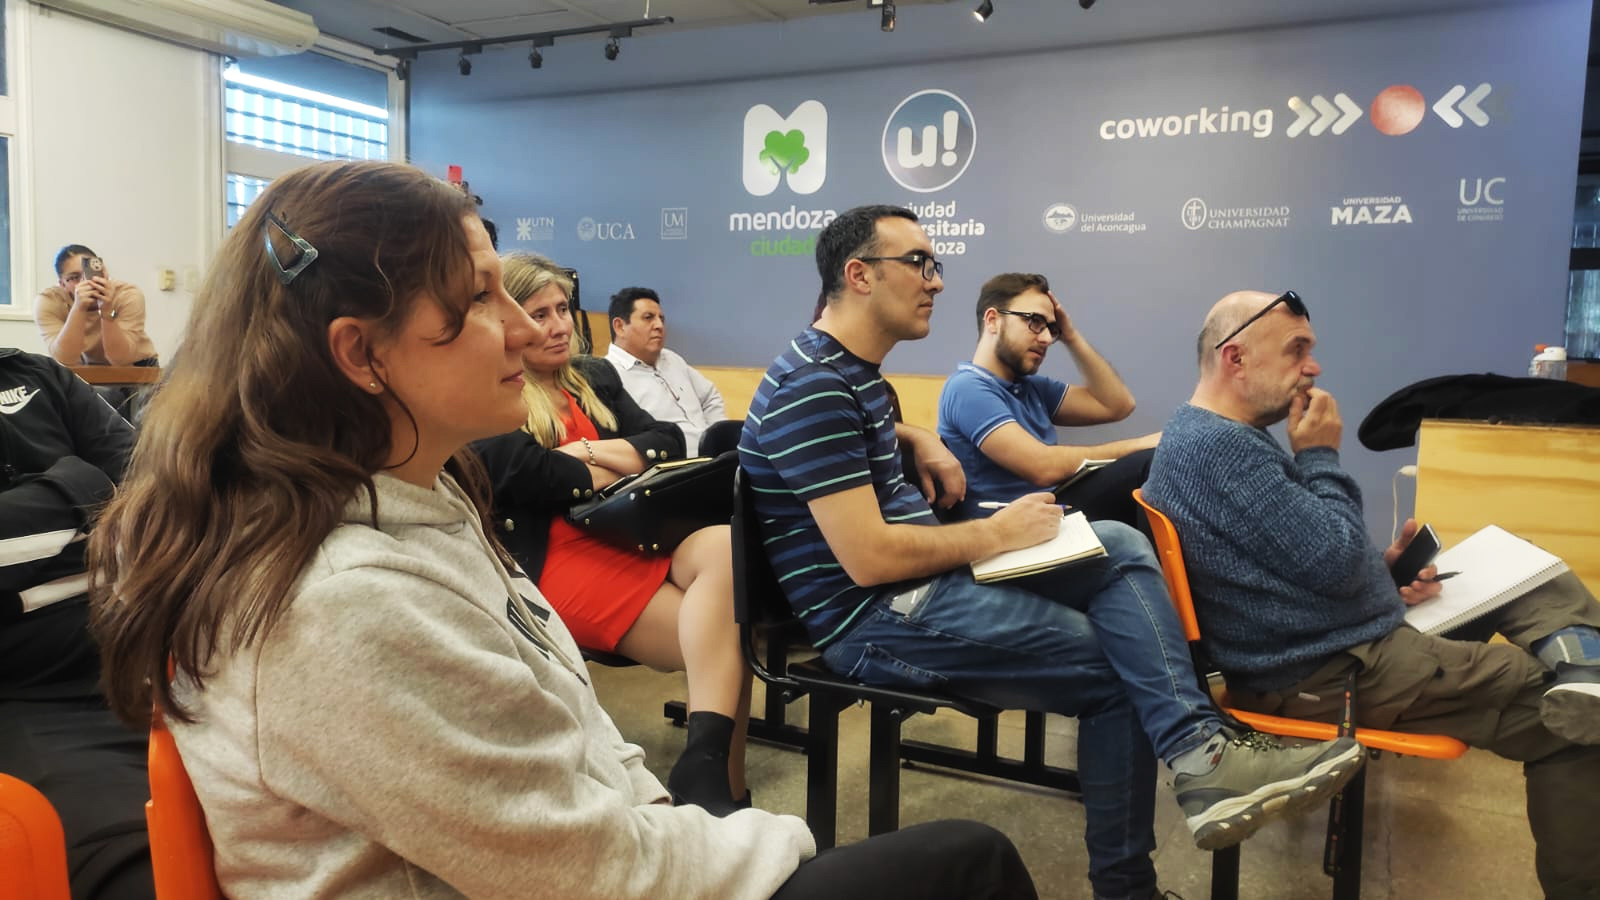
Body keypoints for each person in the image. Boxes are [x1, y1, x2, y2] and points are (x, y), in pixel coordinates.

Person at [88, 161, 1037, 900]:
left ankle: (708, 765)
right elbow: (592, 873)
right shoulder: (339, 605)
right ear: (360, 353)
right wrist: (785, 845)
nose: (529, 329)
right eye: (481, 300)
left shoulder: (427, 500)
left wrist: (674, 815)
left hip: (596, 847)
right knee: (969, 864)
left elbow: (579, 739)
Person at [740, 205, 1366, 900]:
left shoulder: (849, 375)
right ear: (859, 275)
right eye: (918, 263)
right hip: (876, 617)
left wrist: (918, 436)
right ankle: (1149, 853)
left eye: (933, 264)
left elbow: (1106, 403)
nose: (936, 281)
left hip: (926, 579)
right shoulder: (815, 387)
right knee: (1123, 667)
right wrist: (997, 533)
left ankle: (1198, 752)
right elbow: (869, 561)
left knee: (1120, 542)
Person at [1141, 289, 1600, 899]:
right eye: (1297, 349)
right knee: (1570, 726)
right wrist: (1321, 456)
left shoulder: (1212, 437)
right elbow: (1334, 561)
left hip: (1329, 647)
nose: (1313, 367)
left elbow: (1298, 564)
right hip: (1329, 674)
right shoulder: (1220, 449)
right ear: (1236, 357)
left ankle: (1586, 668)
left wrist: (1381, 574)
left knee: (1525, 567)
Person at [474, 255, 752, 816]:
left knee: (726, 546)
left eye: (562, 310)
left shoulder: (593, 377)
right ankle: (721, 793)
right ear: (508, 321)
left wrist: (584, 453)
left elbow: (667, 440)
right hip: (558, 559)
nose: (559, 326)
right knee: (730, 638)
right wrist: (613, 460)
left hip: (630, 532)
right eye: (539, 314)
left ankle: (709, 774)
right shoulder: (492, 389)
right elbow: (531, 474)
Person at [0, 348, 151, 899]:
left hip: (164, 653)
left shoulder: (37, 374)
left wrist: (34, 517)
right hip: (37, 700)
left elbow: (155, 486)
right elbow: (113, 489)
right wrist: (80, 486)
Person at [937, 272, 1159, 525]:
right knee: (1147, 463)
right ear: (993, 320)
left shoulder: (1030, 387)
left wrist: (1070, 336)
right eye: (1034, 321)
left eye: (1051, 329)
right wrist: (1138, 445)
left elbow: (1117, 406)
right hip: (1009, 526)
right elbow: (1042, 467)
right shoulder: (967, 388)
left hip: (1052, 507)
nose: (1045, 339)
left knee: (1153, 470)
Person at [603, 286, 732, 455]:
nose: (659, 325)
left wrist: (718, 439)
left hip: (716, 459)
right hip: (672, 465)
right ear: (620, 327)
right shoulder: (608, 375)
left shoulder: (671, 359)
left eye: (661, 319)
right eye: (648, 318)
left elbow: (710, 397)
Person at [34, 245, 159, 368]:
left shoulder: (127, 295)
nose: (85, 282)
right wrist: (79, 308)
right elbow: (65, 359)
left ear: (103, 272)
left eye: (90, 273)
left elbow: (120, 358)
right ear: (62, 284)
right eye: (75, 277)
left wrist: (107, 311)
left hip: (136, 366)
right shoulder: (49, 301)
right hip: (87, 368)